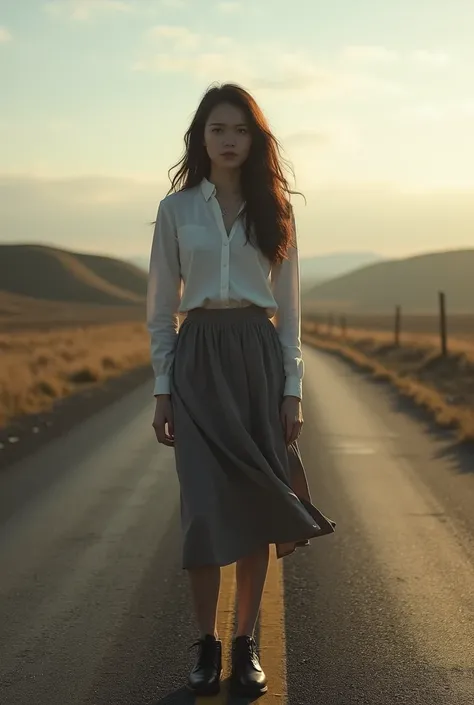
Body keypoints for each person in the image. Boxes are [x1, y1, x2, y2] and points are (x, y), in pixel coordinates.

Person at [147, 82, 336, 698]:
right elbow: (159, 308)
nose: (228, 140)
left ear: (255, 140)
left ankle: (244, 643)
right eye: (217, 130)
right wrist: (163, 387)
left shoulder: (275, 210)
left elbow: (290, 309)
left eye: (240, 130)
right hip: (198, 358)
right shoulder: (175, 211)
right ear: (201, 139)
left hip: (257, 356)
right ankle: (205, 642)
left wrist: (292, 389)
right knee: (202, 510)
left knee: (256, 506)